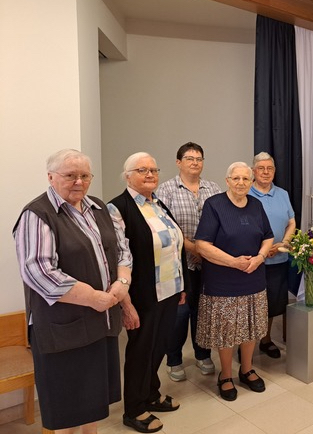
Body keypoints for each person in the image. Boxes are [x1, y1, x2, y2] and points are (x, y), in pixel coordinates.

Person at [13, 149, 132, 434]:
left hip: (99, 325)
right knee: (68, 411)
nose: (79, 182)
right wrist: (94, 298)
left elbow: (122, 250)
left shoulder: (99, 208)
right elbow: (38, 270)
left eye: (84, 175)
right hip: (63, 330)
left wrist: (122, 284)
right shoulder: (37, 214)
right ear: (51, 177)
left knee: (93, 404)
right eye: (70, 175)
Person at [109, 152, 187, 434]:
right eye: (142, 170)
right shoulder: (118, 208)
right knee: (141, 350)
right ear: (127, 176)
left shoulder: (158, 203)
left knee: (159, 346)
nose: (150, 174)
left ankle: (151, 394)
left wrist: (182, 286)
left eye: (154, 169)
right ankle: (134, 409)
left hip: (169, 289)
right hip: (144, 294)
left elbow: (175, 247)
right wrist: (125, 302)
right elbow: (119, 257)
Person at [195, 162, 274, 402]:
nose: (241, 183)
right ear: (227, 180)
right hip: (223, 282)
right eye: (236, 178)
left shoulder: (256, 205)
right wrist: (233, 262)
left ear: (251, 182)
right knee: (226, 332)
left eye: (245, 179)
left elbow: (268, 237)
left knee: (251, 328)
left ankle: (247, 369)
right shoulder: (214, 205)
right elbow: (202, 245)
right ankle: (226, 375)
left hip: (253, 278)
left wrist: (259, 258)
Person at [156, 142, 221, 381]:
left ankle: (203, 354)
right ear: (178, 162)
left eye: (199, 158)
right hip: (178, 264)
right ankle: (173, 360)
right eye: (190, 158)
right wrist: (194, 248)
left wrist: (207, 251)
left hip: (209, 263)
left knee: (203, 311)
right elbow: (165, 227)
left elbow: (221, 222)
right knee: (179, 314)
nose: (195, 162)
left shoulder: (213, 188)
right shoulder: (165, 190)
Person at [248, 152, 296, 359]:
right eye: (261, 168)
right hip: (253, 261)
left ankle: (265, 340)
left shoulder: (283, 194)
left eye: (270, 168)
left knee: (271, 303)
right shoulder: (245, 192)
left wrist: (284, 243)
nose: (266, 172)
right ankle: (245, 346)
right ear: (253, 171)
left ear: (274, 171)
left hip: (278, 259)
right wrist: (261, 251)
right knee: (250, 305)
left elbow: (292, 223)